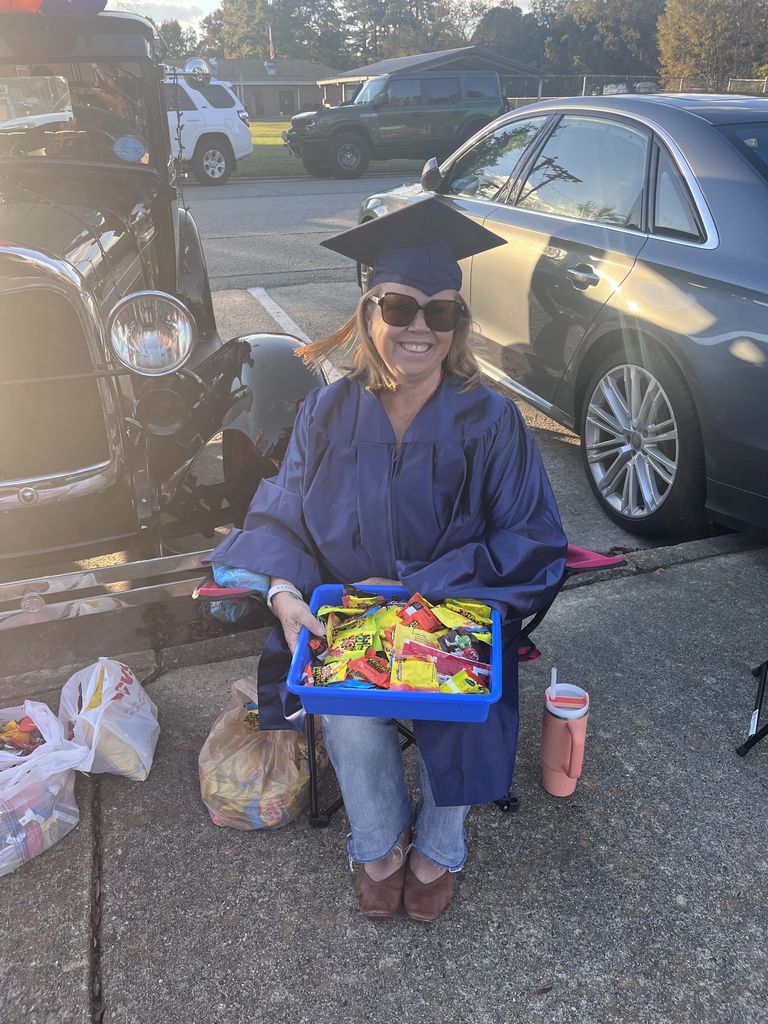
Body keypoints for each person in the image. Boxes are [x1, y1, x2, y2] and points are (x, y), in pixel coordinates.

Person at [210, 197, 567, 922]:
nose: (419, 328)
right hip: (348, 615)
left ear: (459, 327)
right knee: (345, 711)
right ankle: (377, 845)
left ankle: (439, 848)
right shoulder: (327, 411)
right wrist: (283, 592)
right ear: (370, 310)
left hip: (458, 608)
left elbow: (530, 537)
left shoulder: (491, 420)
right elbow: (282, 506)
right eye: (401, 307)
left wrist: (415, 588)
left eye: (442, 313)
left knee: (465, 704)